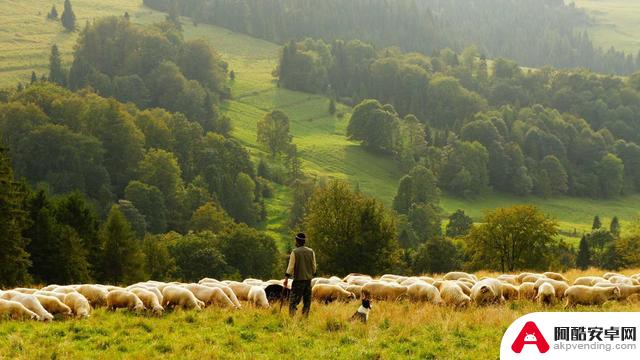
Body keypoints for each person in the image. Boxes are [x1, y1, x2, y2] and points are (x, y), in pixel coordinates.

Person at [285, 232, 317, 317]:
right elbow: (314, 266)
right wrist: (312, 273)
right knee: (307, 302)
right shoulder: (311, 251)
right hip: (308, 281)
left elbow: (291, 267)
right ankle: (304, 318)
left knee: (293, 301)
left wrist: (286, 277)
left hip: (298, 281)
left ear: (297, 241)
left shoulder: (294, 252)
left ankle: (292, 319)